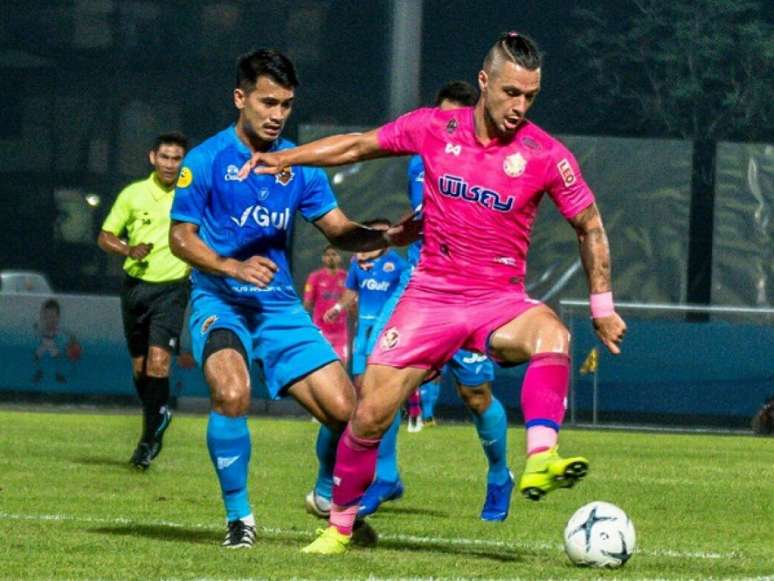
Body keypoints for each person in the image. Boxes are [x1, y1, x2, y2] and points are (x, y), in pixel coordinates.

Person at [242, 31, 627, 555]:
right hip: (430, 296)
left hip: (498, 300)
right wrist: (289, 158)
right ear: (484, 82)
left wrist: (602, 306)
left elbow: (591, 224)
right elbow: (358, 144)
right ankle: (338, 527)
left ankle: (540, 457)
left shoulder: (546, 155)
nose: (520, 107)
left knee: (552, 334)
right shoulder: (433, 127)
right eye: (511, 93)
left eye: (530, 97)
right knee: (369, 414)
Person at [168, 49, 415, 549]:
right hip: (220, 301)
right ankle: (240, 519)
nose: (277, 115)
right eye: (267, 102)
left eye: (285, 105)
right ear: (241, 99)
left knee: (349, 414)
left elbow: (340, 231)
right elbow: (180, 238)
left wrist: (385, 236)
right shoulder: (207, 161)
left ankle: (327, 495)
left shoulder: (300, 168)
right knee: (231, 393)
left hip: (278, 308)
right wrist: (232, 266)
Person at [356, 81, 514, 522]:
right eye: (439, 116)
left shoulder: (499, 161)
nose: (446, 126)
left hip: (474, 288)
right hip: (420, 283)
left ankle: (500, 476)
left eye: (455, 119)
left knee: (475, 394)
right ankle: (385, 476)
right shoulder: (420, 160)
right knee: (381, 377)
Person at [98, 132, 190, 470]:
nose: (170, 164)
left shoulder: (190, 194)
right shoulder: (133, 194)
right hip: (136, 287)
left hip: (173, 288)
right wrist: (127, 249)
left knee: (158, 364)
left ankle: (150, 438)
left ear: (183, 161)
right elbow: (105, 235)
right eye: (164, 157)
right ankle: (156, 416)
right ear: (153, 157)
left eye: (176, 157)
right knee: (140, 369)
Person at [305, 221, 408, 518]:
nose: (372, 239)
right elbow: (351, 294)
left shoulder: (397, 266)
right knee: (362, 396)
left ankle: (385, 472)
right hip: (362, 333)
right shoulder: (358, 265)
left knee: (378, 397)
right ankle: (385, 476)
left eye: (378, 234)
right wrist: (337, 309)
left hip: (386, 333)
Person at [303, 246, 350, 367]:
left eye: (334, 254)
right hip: (321, 331)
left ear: (339, 258)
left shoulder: (347, 277)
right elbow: (308, 303)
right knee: (320, 366)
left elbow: (351, 302)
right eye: (328, 255)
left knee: (341, 366)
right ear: (323, 258)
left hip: (341, 333)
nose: (331, 258)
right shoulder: (315, 277)